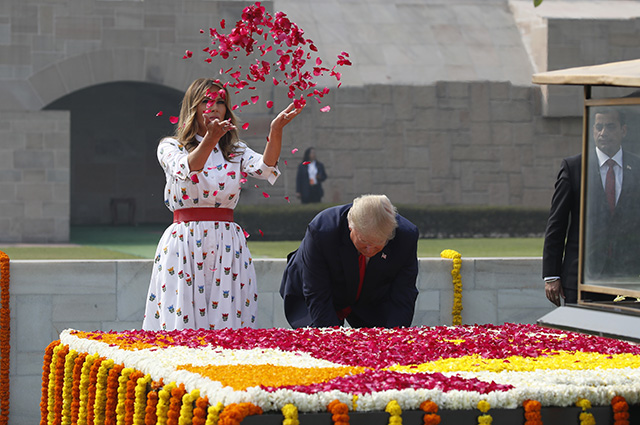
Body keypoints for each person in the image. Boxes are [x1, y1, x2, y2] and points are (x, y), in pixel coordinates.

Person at [143, 78, 303, 331]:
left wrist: (276, 130)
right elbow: (188, 168)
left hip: (226, 240)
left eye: (220, 102)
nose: (214, 107)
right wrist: (210, 138)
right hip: (185, 238)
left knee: (227, 321)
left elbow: (265, 168)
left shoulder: (234, 150)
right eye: (206, 101)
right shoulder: (171, 146)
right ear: (193, 107)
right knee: (182, 319)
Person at [543, 108, 640, 306]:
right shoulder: (574, 167)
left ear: (624, 130)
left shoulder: (637, 166)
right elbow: (557, 223)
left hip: (628, 278)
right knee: (583, 336)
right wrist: (551, 275)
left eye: (610, 126)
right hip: (581, 277)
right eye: (599, 127)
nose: (603, 132)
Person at [279, 194, 419, 328]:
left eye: (378, 243)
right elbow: (316, 292)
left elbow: (404, 293)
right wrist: (332, 338)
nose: (369, 250)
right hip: (317, 292)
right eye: (364, 241)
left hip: (370, 296)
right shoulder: (323, 231)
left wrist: (394, 337)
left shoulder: (406, 237)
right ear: (350, 226)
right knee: (321, 342)